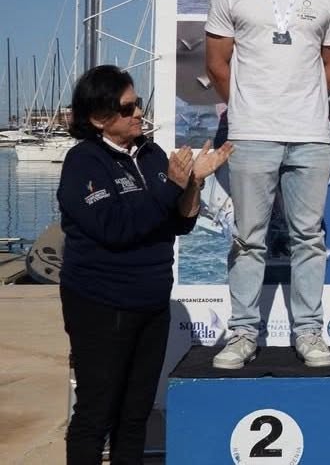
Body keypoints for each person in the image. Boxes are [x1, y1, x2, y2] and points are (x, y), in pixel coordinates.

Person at [57, 65, 231, 464]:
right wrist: (172, 185)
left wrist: (193, 183)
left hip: (151, 304)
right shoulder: (83, 162)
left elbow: (181, 223)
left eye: (139, 104)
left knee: (136, 414)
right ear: (99, 118)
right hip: (101, 305)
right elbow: (115, 228)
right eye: (127, 107)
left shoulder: (151, 155)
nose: (138, 113)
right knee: (96, 413)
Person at [205, 0, 330, 369]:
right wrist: (248, 105)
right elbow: (217, 63)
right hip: (251, 134)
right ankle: (243, 333)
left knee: (309, 238)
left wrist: (305, 99)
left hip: (310, 134)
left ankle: (309, 332)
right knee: (249, 238)